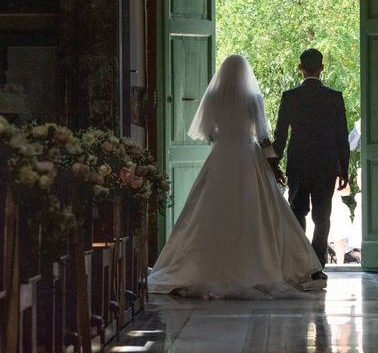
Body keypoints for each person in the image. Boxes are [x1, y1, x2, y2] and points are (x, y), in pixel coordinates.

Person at [147, 55, 325, 298]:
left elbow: (208, 133)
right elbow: (263, 136)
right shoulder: (253, 99)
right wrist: (273, 164)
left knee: (210, 211)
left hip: (222, 156)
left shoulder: (212, 97)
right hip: (248, 156)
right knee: (258, 210)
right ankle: (263, 263)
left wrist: (225, 141)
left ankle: (207, 265)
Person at [271, 48, 350, 278]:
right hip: (326, 164)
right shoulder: (334, 97)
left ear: (300, 68)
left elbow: (281, 136)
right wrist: (343, 168)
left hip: (298, 164)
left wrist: (273, 162)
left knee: (298, 211)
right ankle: (317, 265)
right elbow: (341, 136)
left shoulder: (290, 97)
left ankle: (299, 262)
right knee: (322, 215)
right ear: (322, 68)